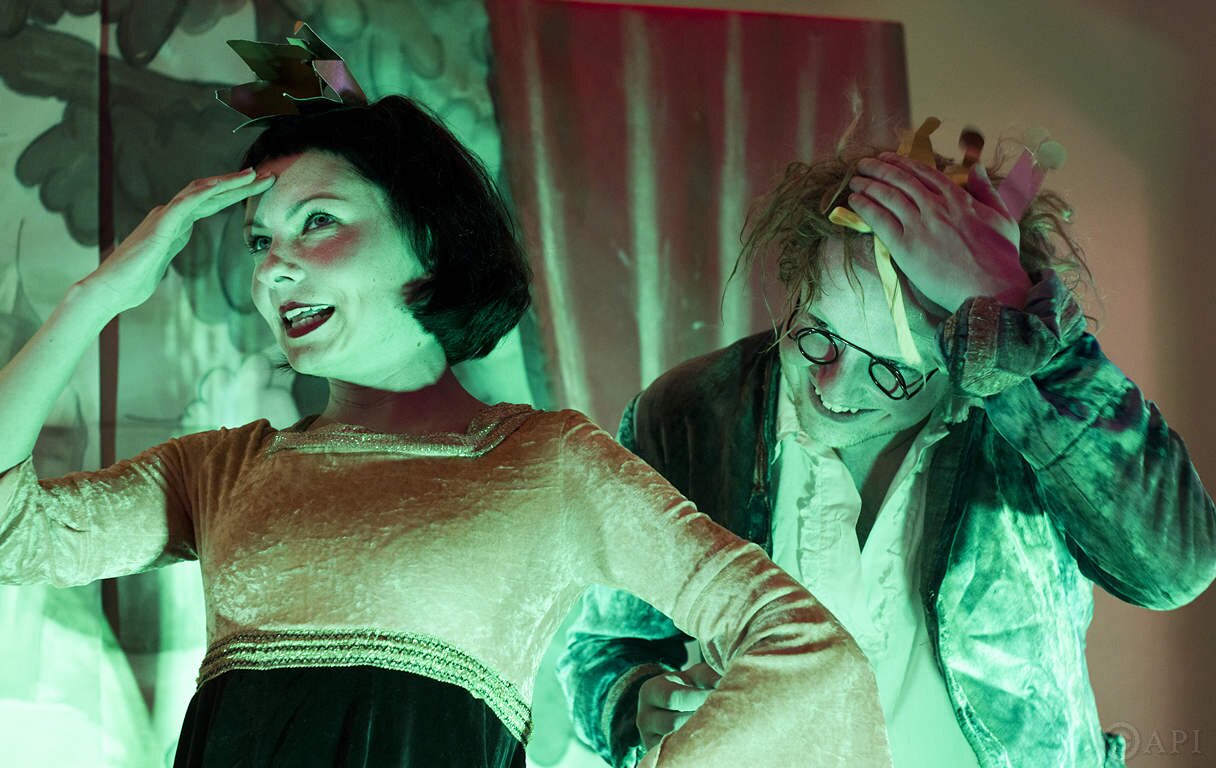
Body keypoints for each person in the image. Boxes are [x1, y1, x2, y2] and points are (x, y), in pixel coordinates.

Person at [0, 54, 895, 768]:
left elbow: (802, 647)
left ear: (426, 237)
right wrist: (97, 296)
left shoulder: (549, 462)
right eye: (259, 240)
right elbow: (13, 534)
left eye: (317, 222)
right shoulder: (224, 468)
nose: (274, 268)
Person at [559, 132, 1216, 767]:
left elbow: (1175, 568)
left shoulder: (1024, 416)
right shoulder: (690, 415)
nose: (834, 389)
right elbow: (599, 647)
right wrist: (639, 704)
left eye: (893, 369)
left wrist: (1013, 308)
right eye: (818, 335)